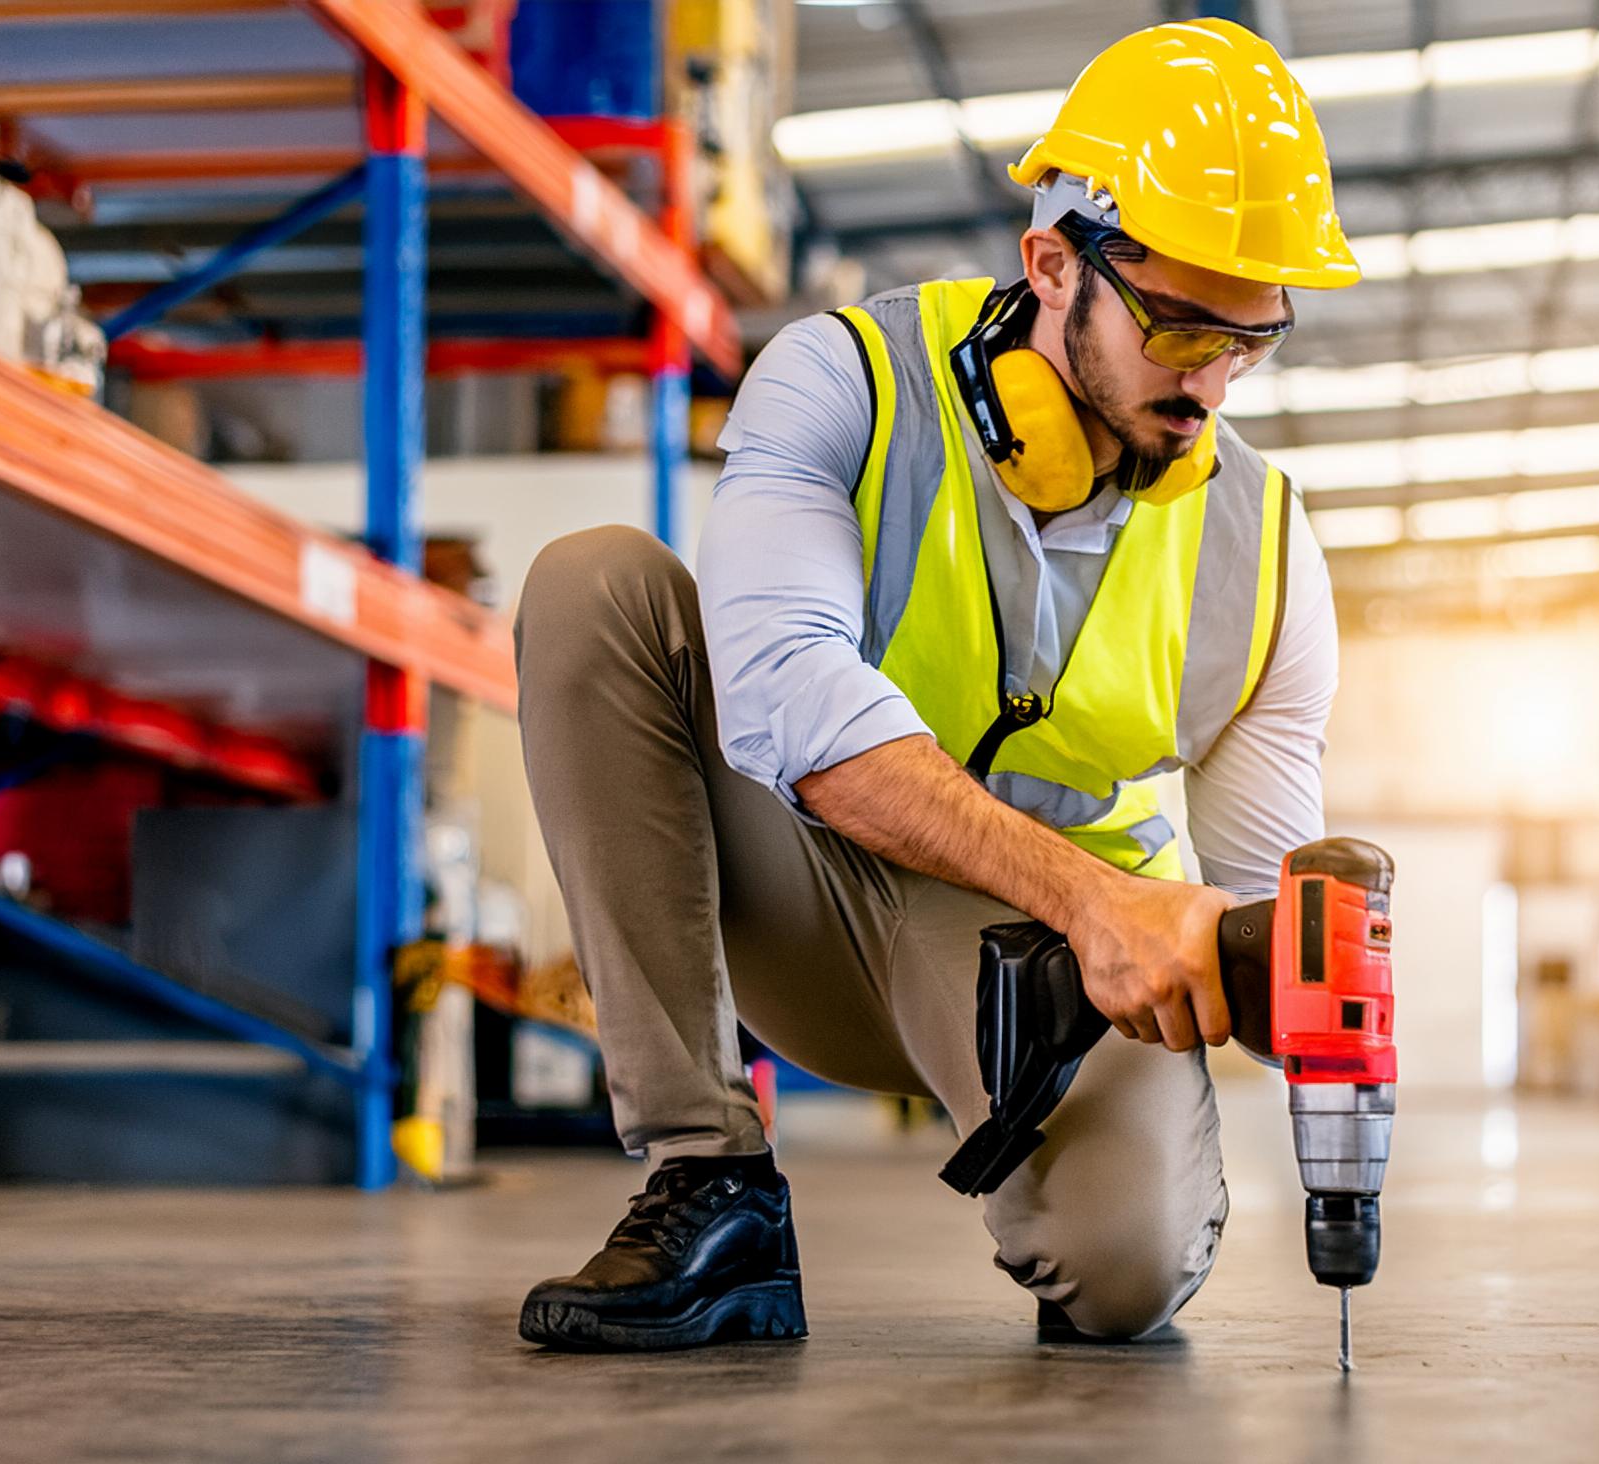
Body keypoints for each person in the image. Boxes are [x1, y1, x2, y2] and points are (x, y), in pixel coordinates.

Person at [512, 17, 1356, 1351]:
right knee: (596, 586)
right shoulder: (843, 382)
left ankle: (1093, 1182)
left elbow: (1253, 880)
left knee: (1126, 1278)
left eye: (1253, 338)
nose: (1211, 383)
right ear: (1050, 264)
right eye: (1179, 326)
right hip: (805, 891)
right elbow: (787, 694)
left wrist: (1300, 984)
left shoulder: (1266, 550)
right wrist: (1099, 897)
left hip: (1046, 986)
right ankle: (706, 1175)